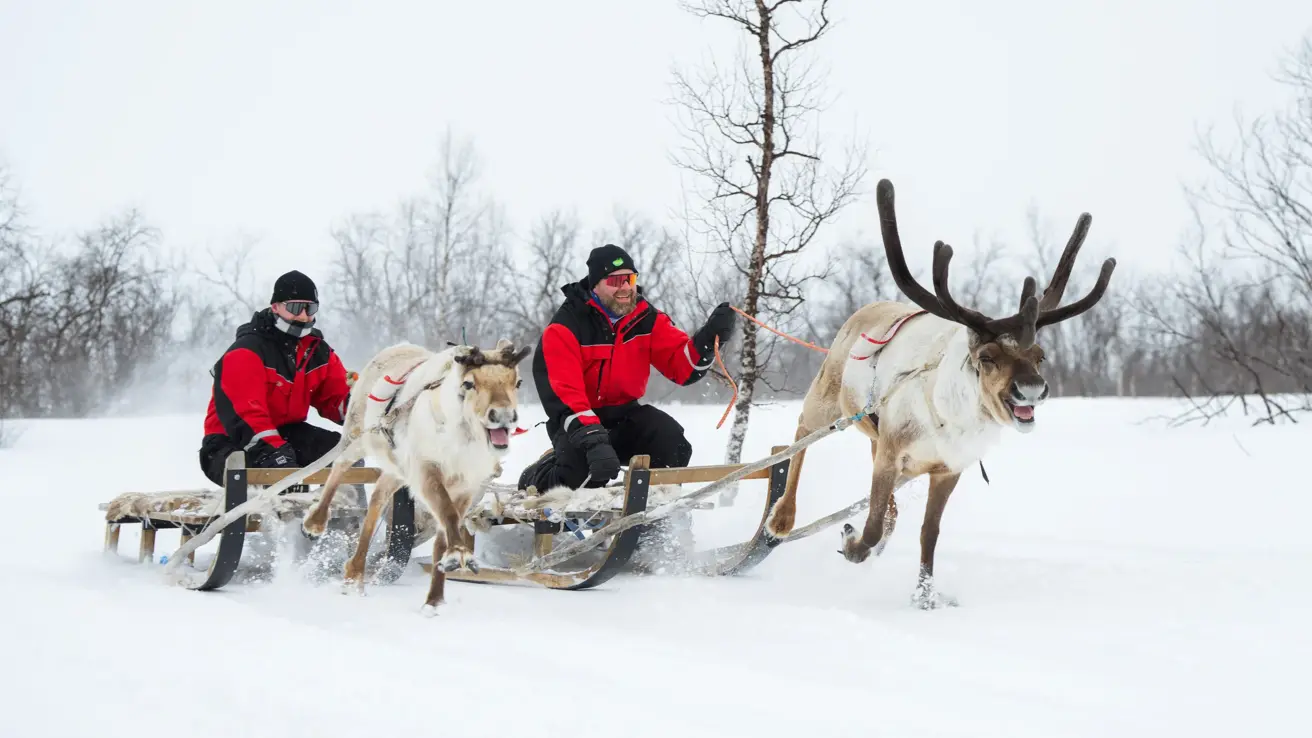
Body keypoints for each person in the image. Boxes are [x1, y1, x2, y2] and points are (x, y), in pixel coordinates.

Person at [517, 244, 735, 492]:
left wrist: (707, 339)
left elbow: (683, 368)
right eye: (615, 280)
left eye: (629, 279)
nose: (624, 287)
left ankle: (654, 519)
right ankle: (536, 477)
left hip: (623, 416)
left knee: (671, 441)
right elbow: (565, 393)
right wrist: (592, 439)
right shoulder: (566, 326)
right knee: (586, 471)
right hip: (574, 421)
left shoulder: (646, 318)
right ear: (595, 284)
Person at [197, 270, 354, 486]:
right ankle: (273, 514)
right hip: (231, 440)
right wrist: (275, 452)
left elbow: (338, 398)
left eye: (311, 308)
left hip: (287, 435)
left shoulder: (317, 352)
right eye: (296, 307)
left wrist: (369, 406)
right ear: (275, 307)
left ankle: (346, 515)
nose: (303, 316)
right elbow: (245, 415)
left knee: (345, 455)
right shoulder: (247, 351)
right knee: (280, 470)